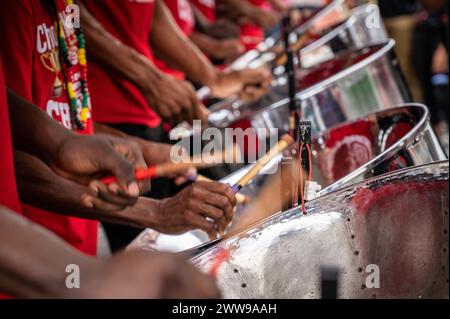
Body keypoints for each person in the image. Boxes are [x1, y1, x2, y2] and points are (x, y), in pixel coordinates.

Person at [0, 0, 237, 254]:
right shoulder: (14, 11)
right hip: (34, 247)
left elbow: (69, 122)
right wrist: (156, 211)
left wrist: (146, 149)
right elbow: (11, 158)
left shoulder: (65, 8)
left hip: (80, 233)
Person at [0, 64, 218, 298]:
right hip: (29, 258)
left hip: (61, 252)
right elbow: (12, 165)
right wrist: (88, 278)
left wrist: (59, 142)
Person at [79, 0, 270, 250]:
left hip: (146, 116)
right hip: (101, 121)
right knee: (150, 262)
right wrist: (152, 79)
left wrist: (215, 77)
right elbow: (74, 17)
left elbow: (151, 10)